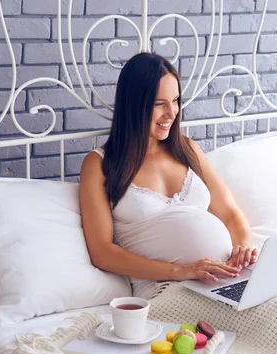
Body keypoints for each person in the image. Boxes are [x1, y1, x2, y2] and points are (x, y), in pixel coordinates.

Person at [79, 52, 259, 299]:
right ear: (134, 105)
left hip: (227, 278)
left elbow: (229, 213)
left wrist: (243, 247)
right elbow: (102, 252)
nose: (172, 113)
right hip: (164, 288)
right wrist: (182, 271)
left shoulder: (187, 149)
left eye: (175, 100)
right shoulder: (99, 164)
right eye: (159, 103)